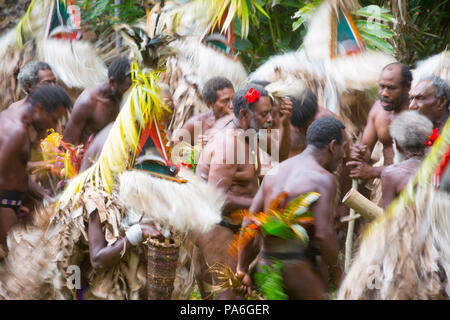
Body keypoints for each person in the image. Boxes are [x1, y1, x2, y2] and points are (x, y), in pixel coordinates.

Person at [195, 84, 292, 299]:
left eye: (270, 113)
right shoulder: (228, 144)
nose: (269, 119)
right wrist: (260, 203)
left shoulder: (249, 135)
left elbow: (280, 159)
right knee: (229, 298)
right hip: (218, 229)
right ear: (245, 115)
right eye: (264, 114)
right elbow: (215, 199)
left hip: (239, 227)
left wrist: (282, 122)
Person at [236, 117, 346, 299]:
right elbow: (324, 234)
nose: (344, 154)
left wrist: (242, 268)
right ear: (333, 146)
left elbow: (249, 220)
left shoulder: (275, 172)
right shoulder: (323, 178)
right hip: (296, 269)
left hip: (266, 264)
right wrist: (338, 272)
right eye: (344, 147)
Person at [0, 85, 72, 251]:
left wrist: (43, 197)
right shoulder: (15, 131)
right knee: (16, 263)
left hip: (11, 203)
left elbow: (16, 169)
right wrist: (7, 211)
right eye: (54, 119)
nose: (54, 127)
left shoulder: (25, 124)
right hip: (4, 206)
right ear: (40, 109)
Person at [347, 62, 412, 180]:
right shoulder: (378, 109)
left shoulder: (417, 114)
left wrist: (373, 171)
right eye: (382, 86)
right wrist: (359, 153)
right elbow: (366, 150)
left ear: (407, 87)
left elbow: (417, 165)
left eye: (391, 88)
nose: (384, 93)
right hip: (387, 184)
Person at [63, 57, 132, 145]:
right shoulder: (88, 102)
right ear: (112, 82)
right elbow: (68, 142)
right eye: (124, 90)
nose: (126, 94)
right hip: (86, 156)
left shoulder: (119, 98)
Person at [381, 111, 433, 208]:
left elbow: (389, 217)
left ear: (397, 145)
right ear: (427, 142)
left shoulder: (390, 174)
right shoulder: (441, 168)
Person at [175, 77, 234, 146]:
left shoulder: (240, 118)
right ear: (210, 104)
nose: (232, 105)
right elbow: (176, 153)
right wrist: (198, 149)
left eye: (233, 98)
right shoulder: (195, 124)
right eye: (225, 101)